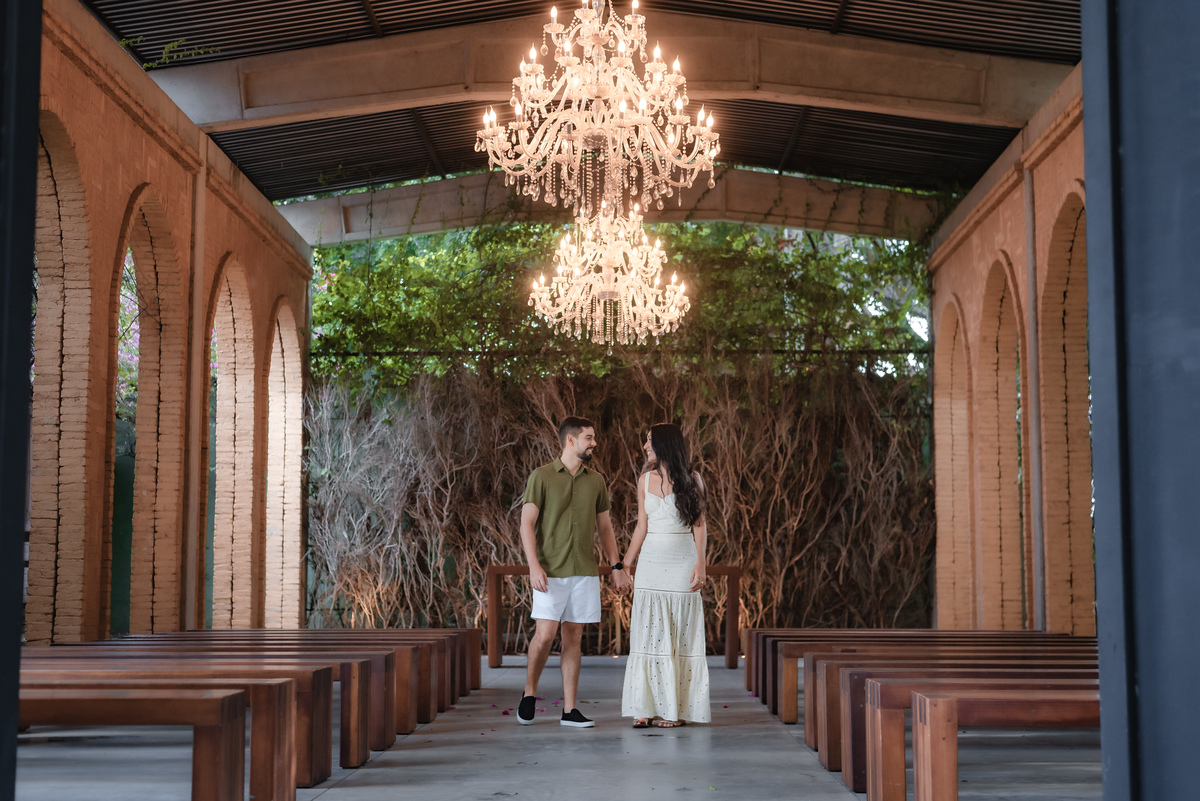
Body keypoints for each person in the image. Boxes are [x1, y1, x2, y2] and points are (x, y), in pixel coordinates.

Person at [518, 416, 631, 727]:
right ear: (570, 440)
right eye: (589, 437)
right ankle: (530, 692)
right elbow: (526, 524)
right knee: (544, 636)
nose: (594, 442)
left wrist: (616, 564)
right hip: (549, 572)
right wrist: (533, 566)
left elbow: (605, 527)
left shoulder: (597, 481)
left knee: (574, 639)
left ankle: (569, 710)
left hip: (584, 572)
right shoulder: (540, 477)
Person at [620, 423, 711, 728]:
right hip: (650, 564)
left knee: (679, 638)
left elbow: (699, 525)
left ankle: (675, 711)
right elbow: (641, 527)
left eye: (649, 441)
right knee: (649, 634)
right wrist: (625, 564)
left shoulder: (693, 479)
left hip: (682, 562)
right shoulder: (644, 480)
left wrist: (702, 564)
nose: (645, 446)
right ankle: (645, 708)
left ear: (663, 445)